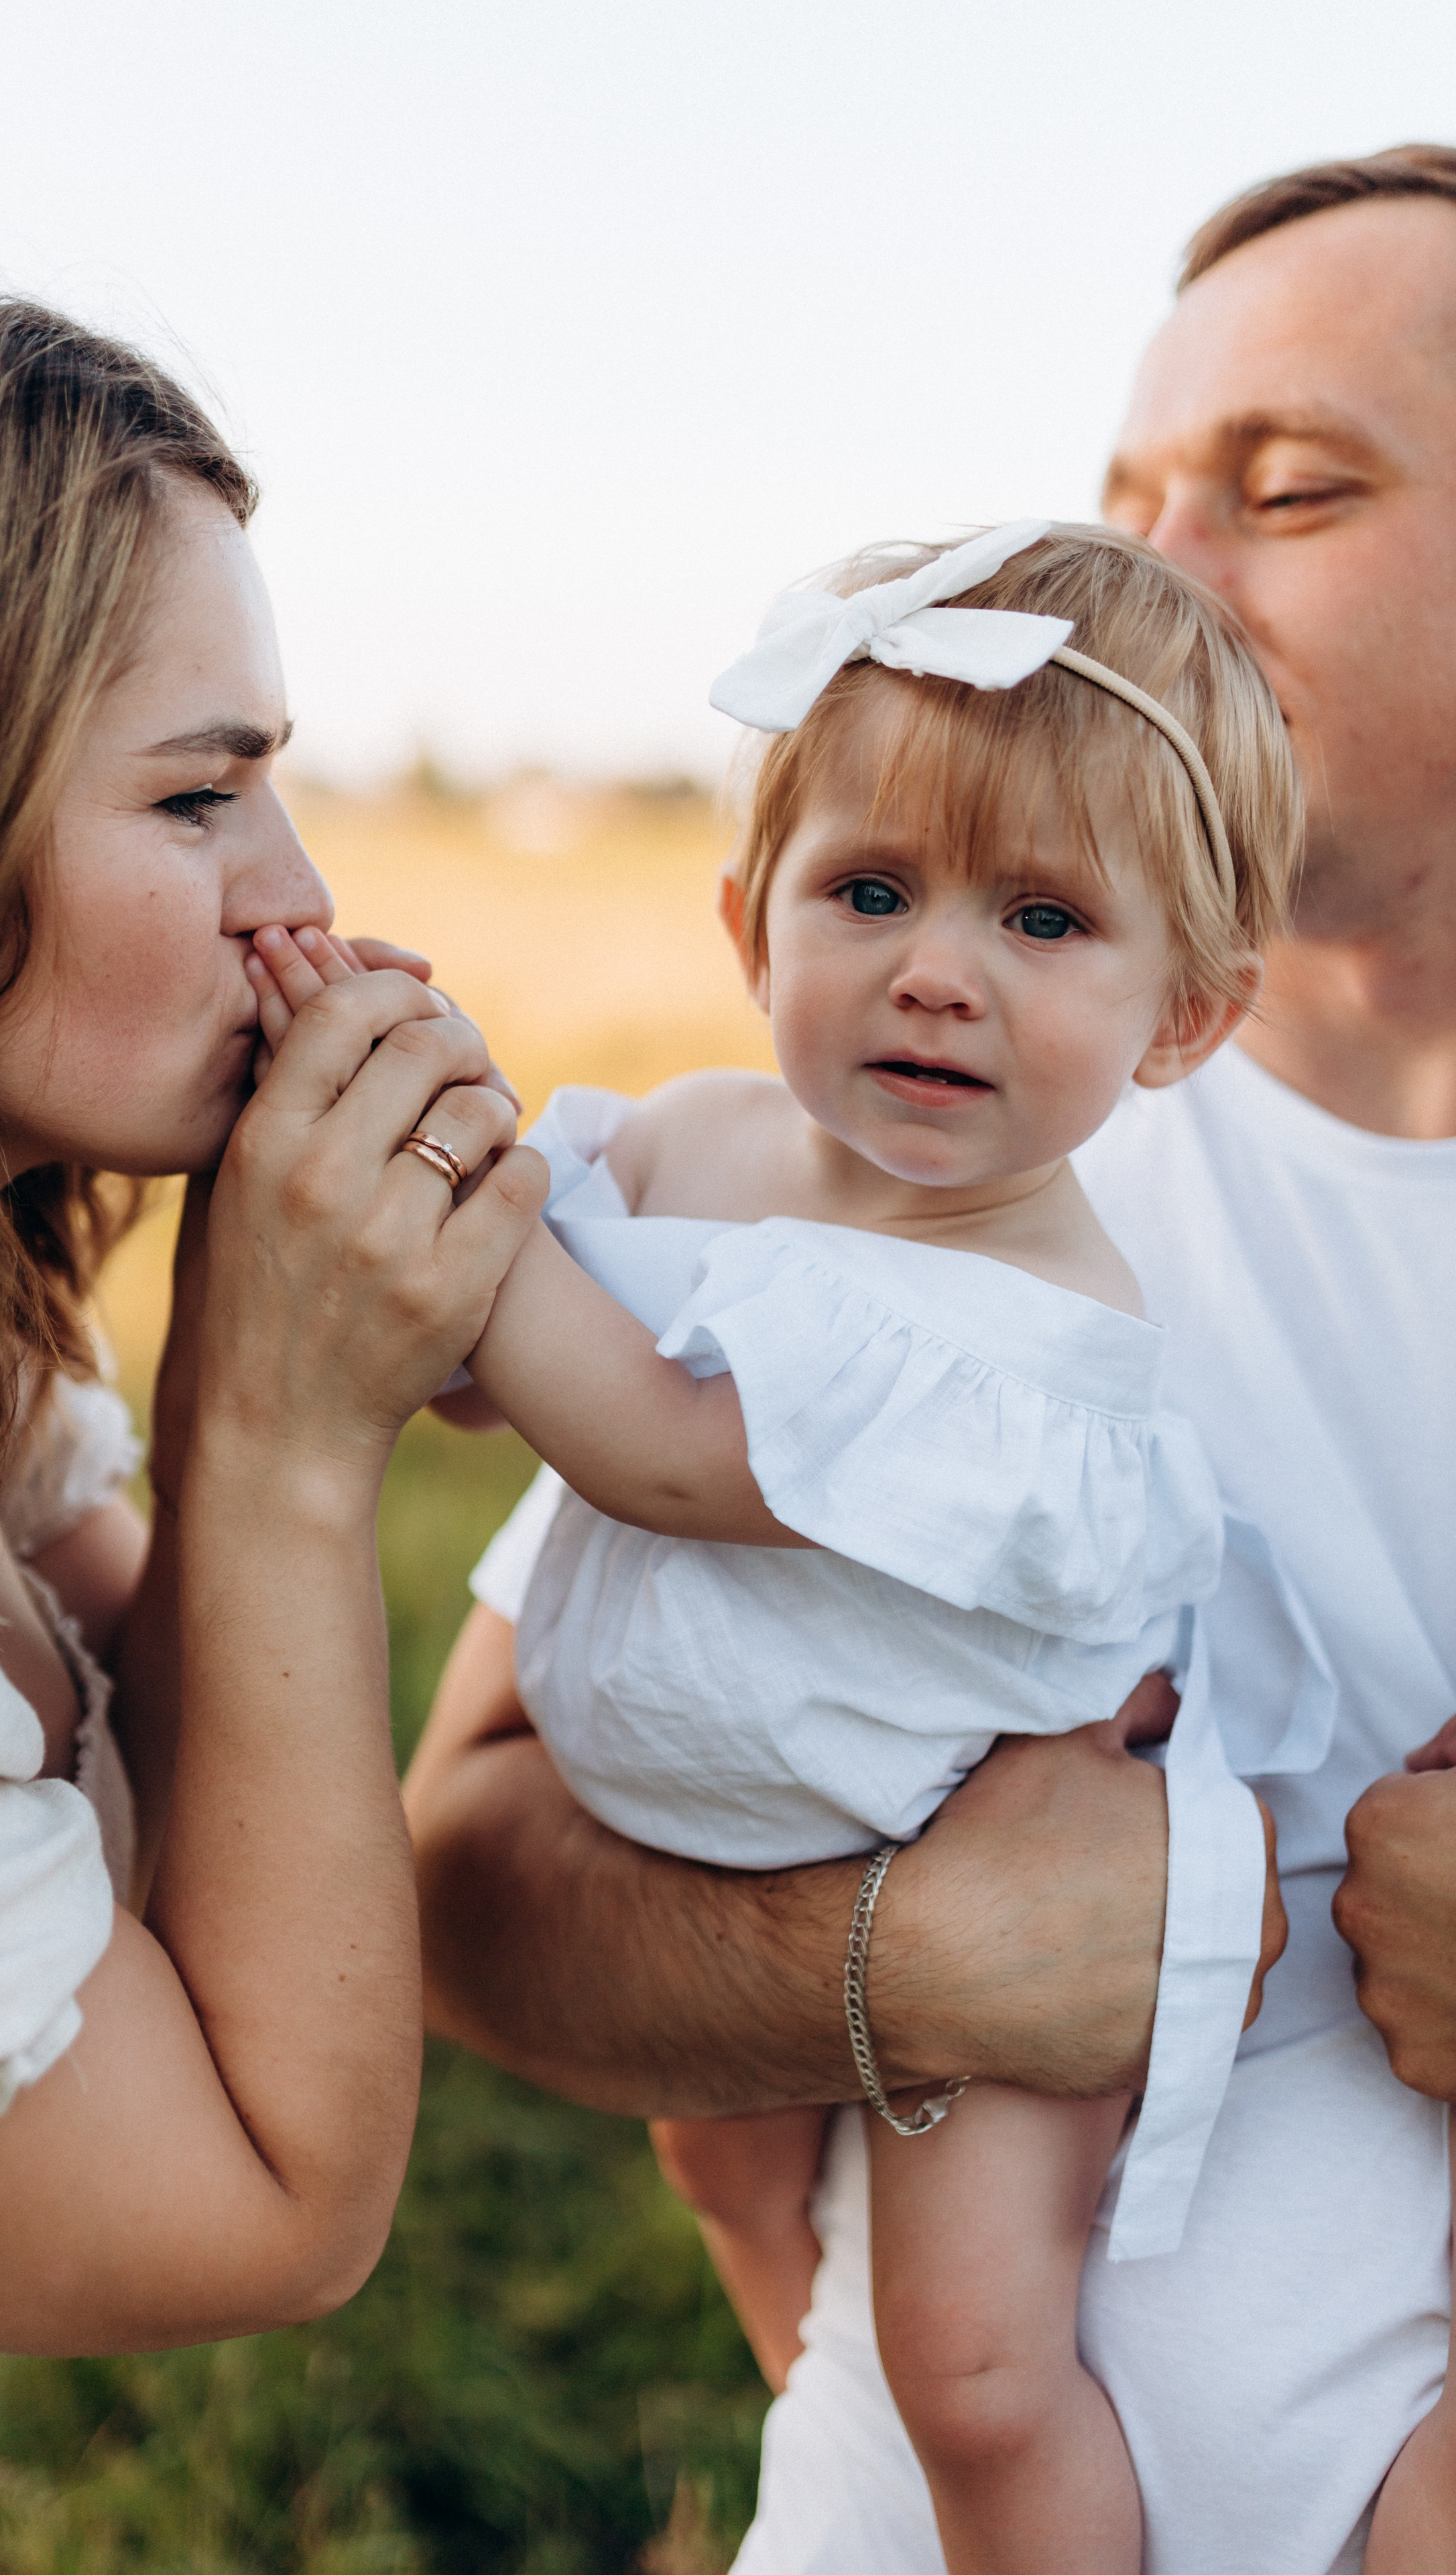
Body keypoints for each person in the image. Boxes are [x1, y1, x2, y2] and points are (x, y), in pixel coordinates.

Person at [404, 142, 1456, 2573]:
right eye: (1119, 495)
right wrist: (893, 1962)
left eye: (1289, 488)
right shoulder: (884, 1167)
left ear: (1160, 999)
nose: (1146, 576)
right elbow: (464, 1874)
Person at [258, 520, 1298, 2572]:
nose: (939, 967)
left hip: (1021, 1893)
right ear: (754, 918)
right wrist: (422, 1113)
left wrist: (454, 1199)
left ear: (1185, 1015)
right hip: (739, 1854)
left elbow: (649, 1447)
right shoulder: (688, 1144)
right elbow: (480, 1380)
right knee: (725, 2166)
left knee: (976, 2371)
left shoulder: (1028, 1323)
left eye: (1046, 920)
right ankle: (783, 2359)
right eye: (875, 889)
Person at [0, 242, 544, 2572]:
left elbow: (217, 1839)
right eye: (200, 800)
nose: (298, 901)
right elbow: (267, 2202)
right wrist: (284, 1437)